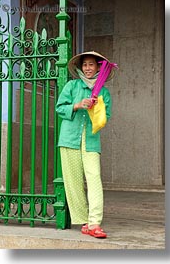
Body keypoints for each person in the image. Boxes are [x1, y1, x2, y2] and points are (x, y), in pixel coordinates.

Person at [56, 51, 115, 238]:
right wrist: (77, 105)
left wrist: (98, 108)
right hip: (69, 139)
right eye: (85, 65)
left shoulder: (103, 92)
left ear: (98, 67)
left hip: (91, 141)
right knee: (73, 182)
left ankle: (95, 222)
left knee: (94, 178)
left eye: (91, 64)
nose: (88, 68)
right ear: (81, 67)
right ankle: (84, 222)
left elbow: (106, 118)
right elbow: (59, 107)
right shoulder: (72, 86)